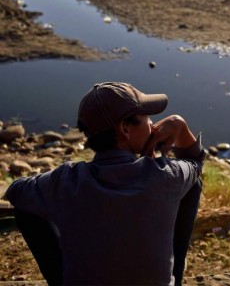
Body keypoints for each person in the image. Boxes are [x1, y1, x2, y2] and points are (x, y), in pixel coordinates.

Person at [5, 82, 205, 285]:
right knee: (192, 185)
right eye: (147, 117)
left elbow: (16, 191)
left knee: (26, 207)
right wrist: (179, 125)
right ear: (125, 128)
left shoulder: (67, 180)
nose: (153, 125)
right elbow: (195, 162)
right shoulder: (166, 175)